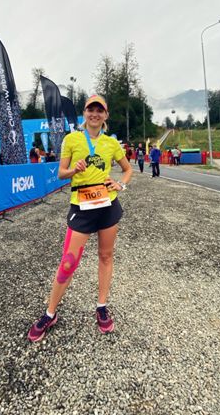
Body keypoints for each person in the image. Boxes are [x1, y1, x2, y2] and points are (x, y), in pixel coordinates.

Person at [28, 95, 133, 342]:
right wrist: (74, 170)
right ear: (84, 113)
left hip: (107, 204)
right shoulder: (72, 139)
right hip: (82, 206)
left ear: (105, 115)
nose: (95, 114)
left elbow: (128, 169)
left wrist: (120, 184)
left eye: (100, 110)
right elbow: (61, 173)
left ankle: (101, 307)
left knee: (106, 256)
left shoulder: (111, 143)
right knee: (69, 262)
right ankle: (50, 313)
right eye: (90, 109)